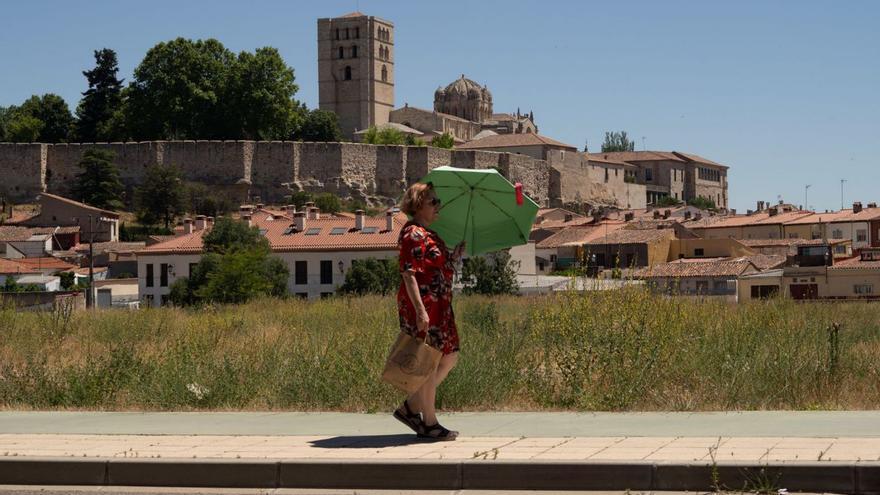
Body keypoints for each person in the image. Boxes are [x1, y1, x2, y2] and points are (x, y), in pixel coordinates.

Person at [393, 182, 464, 441]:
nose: (438, 206)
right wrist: (420, 311)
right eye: (433, 201)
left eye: (437, 202)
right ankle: (429, 423)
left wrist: (453, 257)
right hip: (424, 308)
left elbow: (437, 267)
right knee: (429, 364)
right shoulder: (412, 233)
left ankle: (411, 408)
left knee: (450, 356)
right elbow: (408, 274)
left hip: (441, 308)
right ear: (419, 203)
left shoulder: (430, 234)